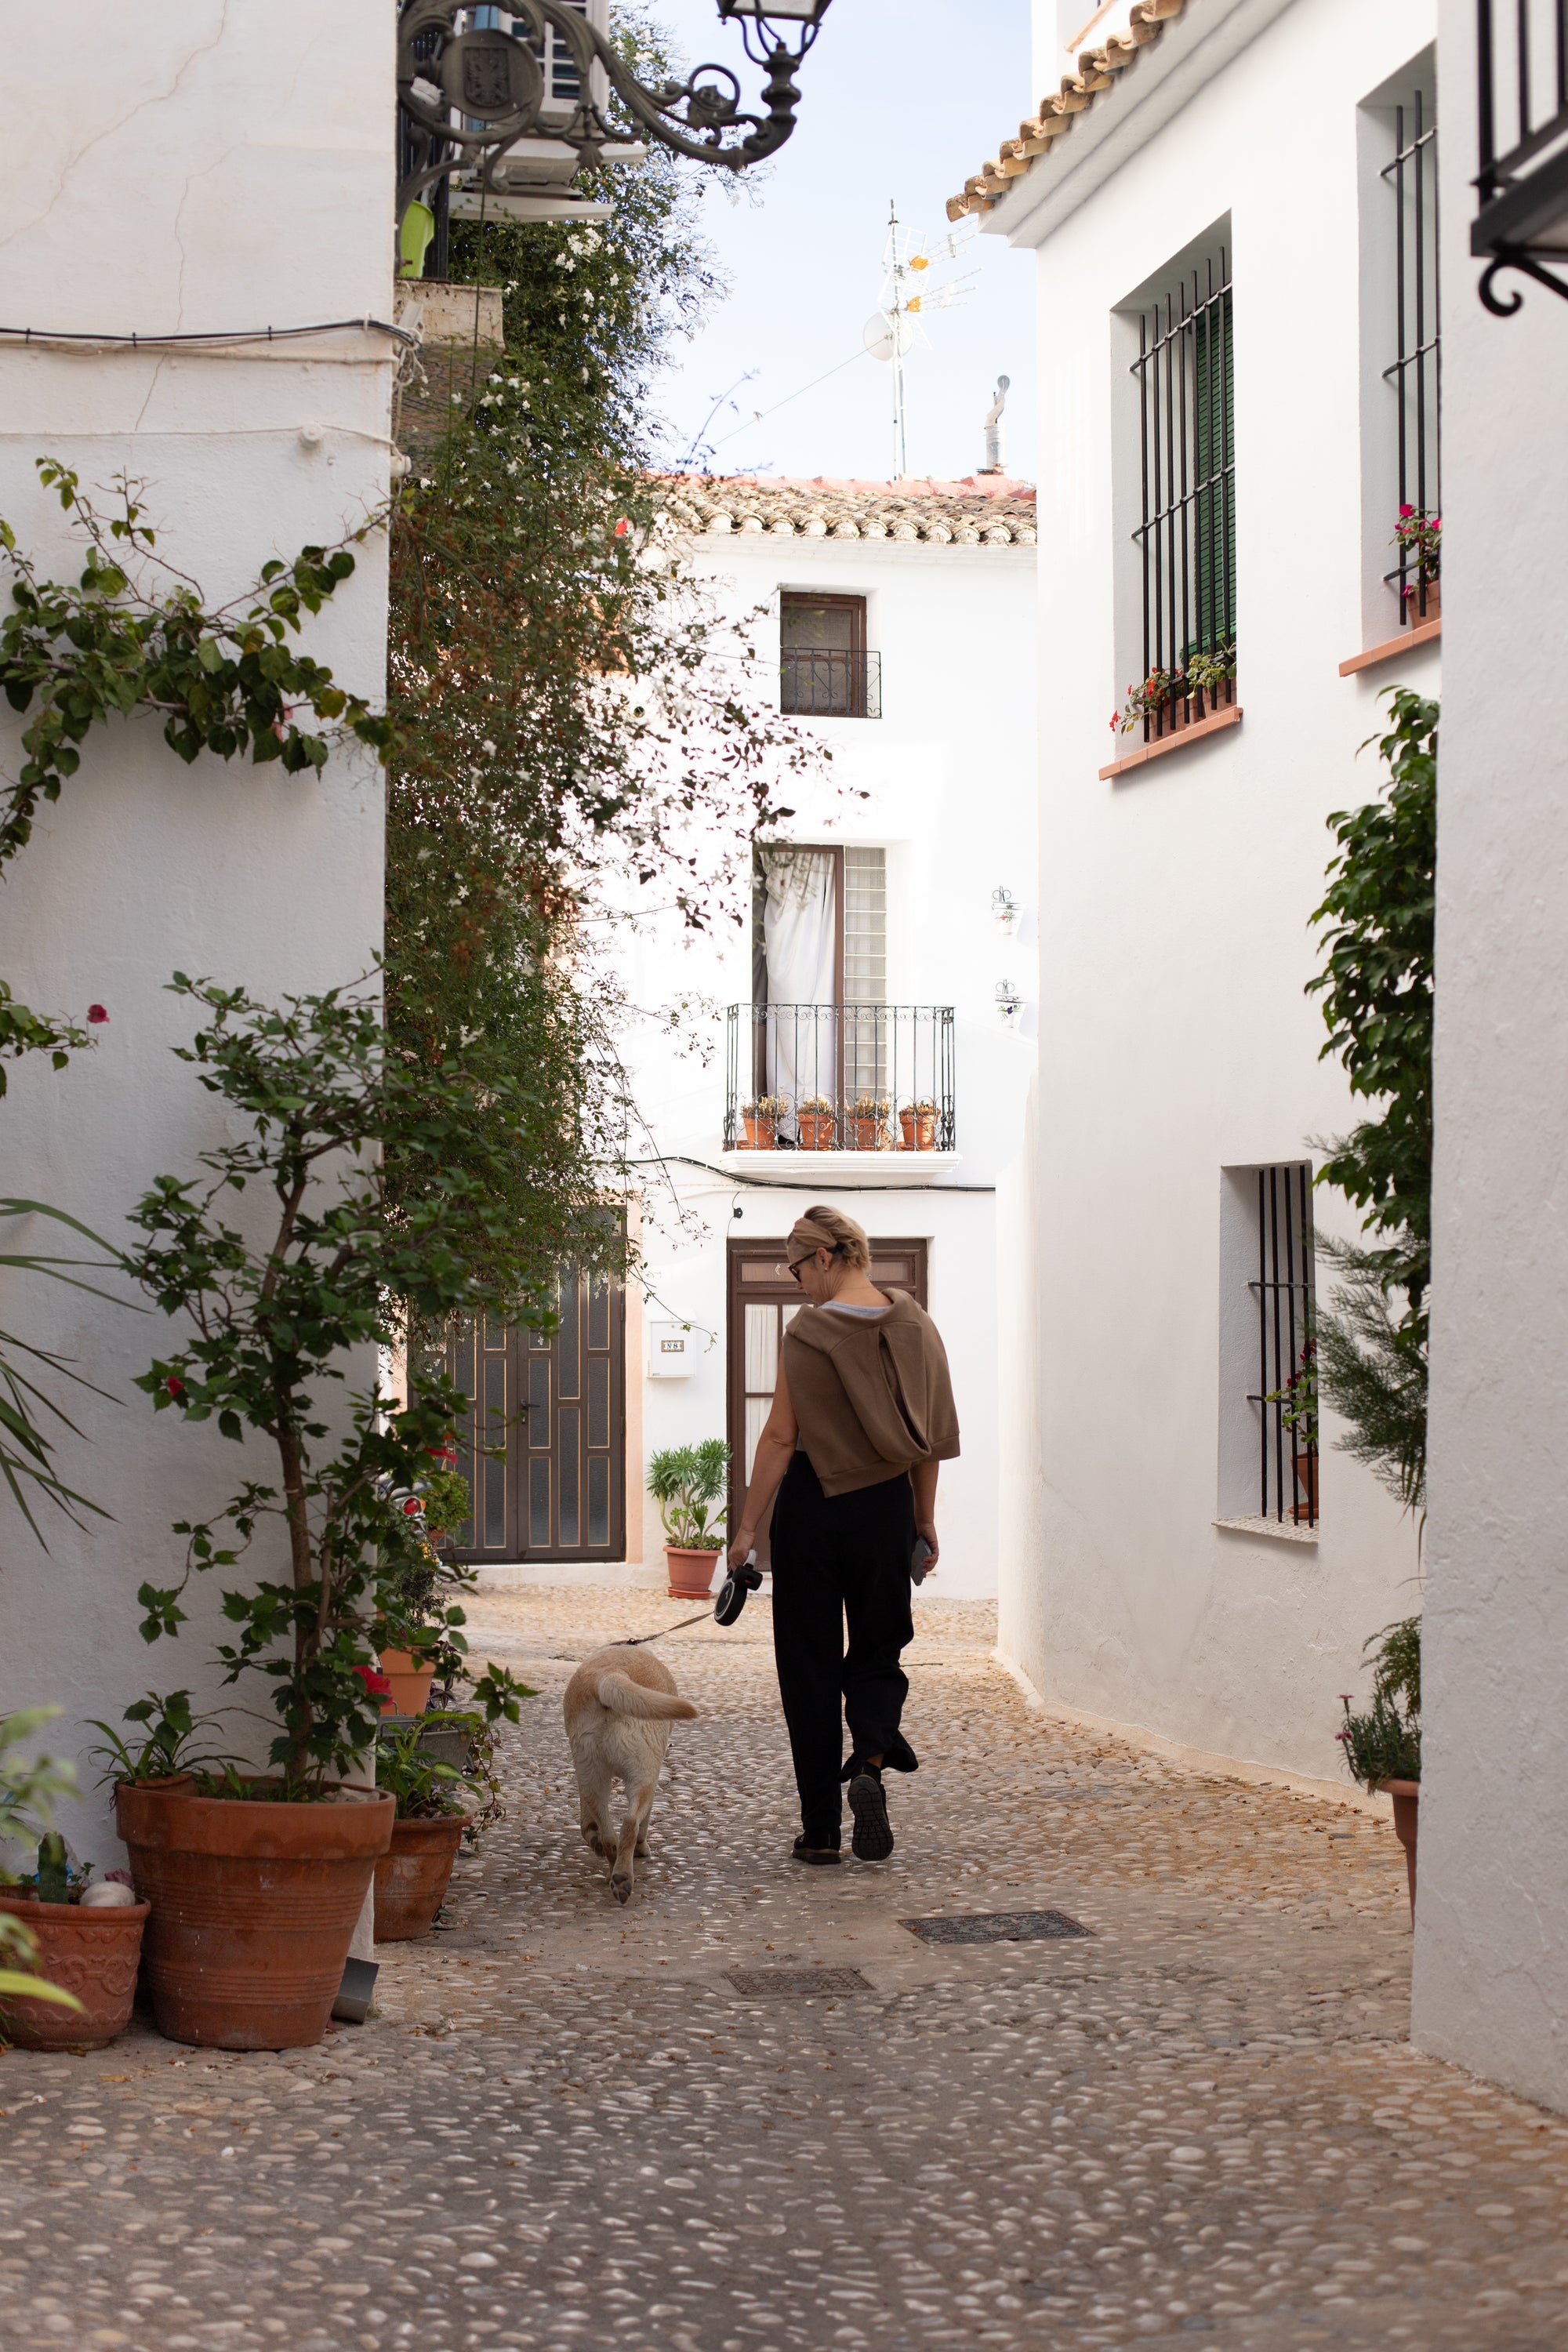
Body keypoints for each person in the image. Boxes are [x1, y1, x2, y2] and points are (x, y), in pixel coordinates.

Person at [727, 1207, 960, 1865]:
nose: (796, 1281)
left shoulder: (807, 1331)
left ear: (824, 1257)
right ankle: (871, 1761)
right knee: (880, 1646)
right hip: (885, 1504)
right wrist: (923, 1517)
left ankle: (822, 1831)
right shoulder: (916, 1324)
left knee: (808, 1661)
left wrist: (746, 1529)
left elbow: (779, 1435)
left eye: (797, 1267)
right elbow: (931, 1435)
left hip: (812, 1505)